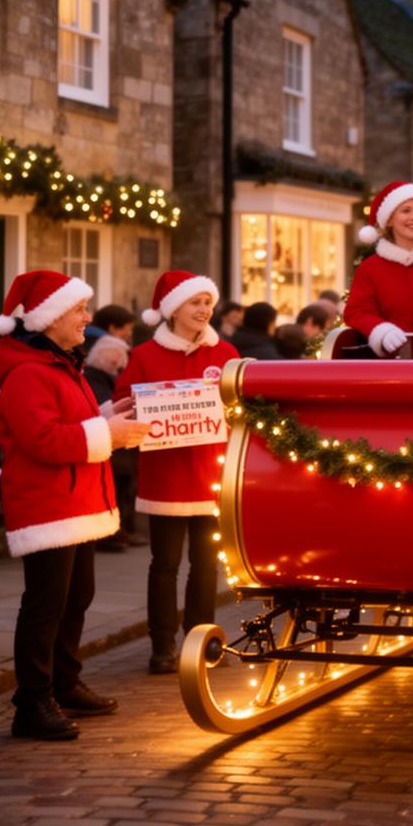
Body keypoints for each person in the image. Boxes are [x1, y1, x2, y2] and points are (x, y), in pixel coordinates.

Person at [0, 269, 150, 740]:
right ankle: (32, 701)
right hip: (48, 505)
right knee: (45, 606)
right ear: (49, 318)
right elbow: (41, 439)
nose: (86, 318)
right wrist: (107, 434)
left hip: (76, 501)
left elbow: (70, 422)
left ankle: (64, 681)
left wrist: (106, 417)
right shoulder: (26, 371)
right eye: (78, 310)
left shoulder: (60, 362)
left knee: (76, 598)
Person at [116, 271, 239, 675]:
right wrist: (147, 409)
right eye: (195, 303)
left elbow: (243, 400)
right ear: (173, 310)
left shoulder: (225, 353)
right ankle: (162, 644)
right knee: (164, 565)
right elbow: (122, 403)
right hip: (165, 475)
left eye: (208, 302)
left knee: (206, 564)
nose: (204, 310)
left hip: (210, 473)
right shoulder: (146, 355)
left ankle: (201, 640)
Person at [345, 182, 413, 356]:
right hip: (393, 363)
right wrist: (380, 330)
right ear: (389, 220)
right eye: (406, 210)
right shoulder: (370, 268)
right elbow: (357, 312)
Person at [82, 333, 142, 552]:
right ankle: (112, 533)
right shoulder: (96, 379)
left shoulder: (92, 377)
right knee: (119, 490)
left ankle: (116, 531)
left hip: (107, 447)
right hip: (108, 450)